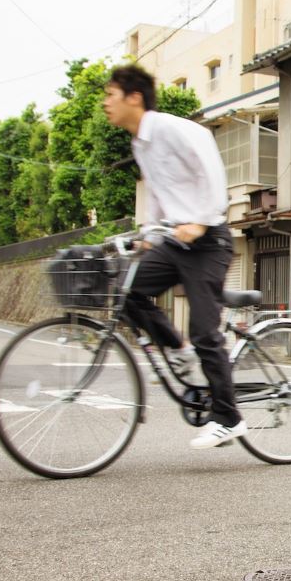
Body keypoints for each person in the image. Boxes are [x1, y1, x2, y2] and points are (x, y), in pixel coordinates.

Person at [102, 64, 247, 450]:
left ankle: (229, 418)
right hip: (174, 240)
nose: (105, 104)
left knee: (205, 330)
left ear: (134, 97)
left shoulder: (171, 128)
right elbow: (157, 189)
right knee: (126, 291)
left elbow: (211, 170)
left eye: (110, 95)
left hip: (208, 239)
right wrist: (147, 233)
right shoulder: (140, 143)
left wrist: (200, 221)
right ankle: (179, 352)